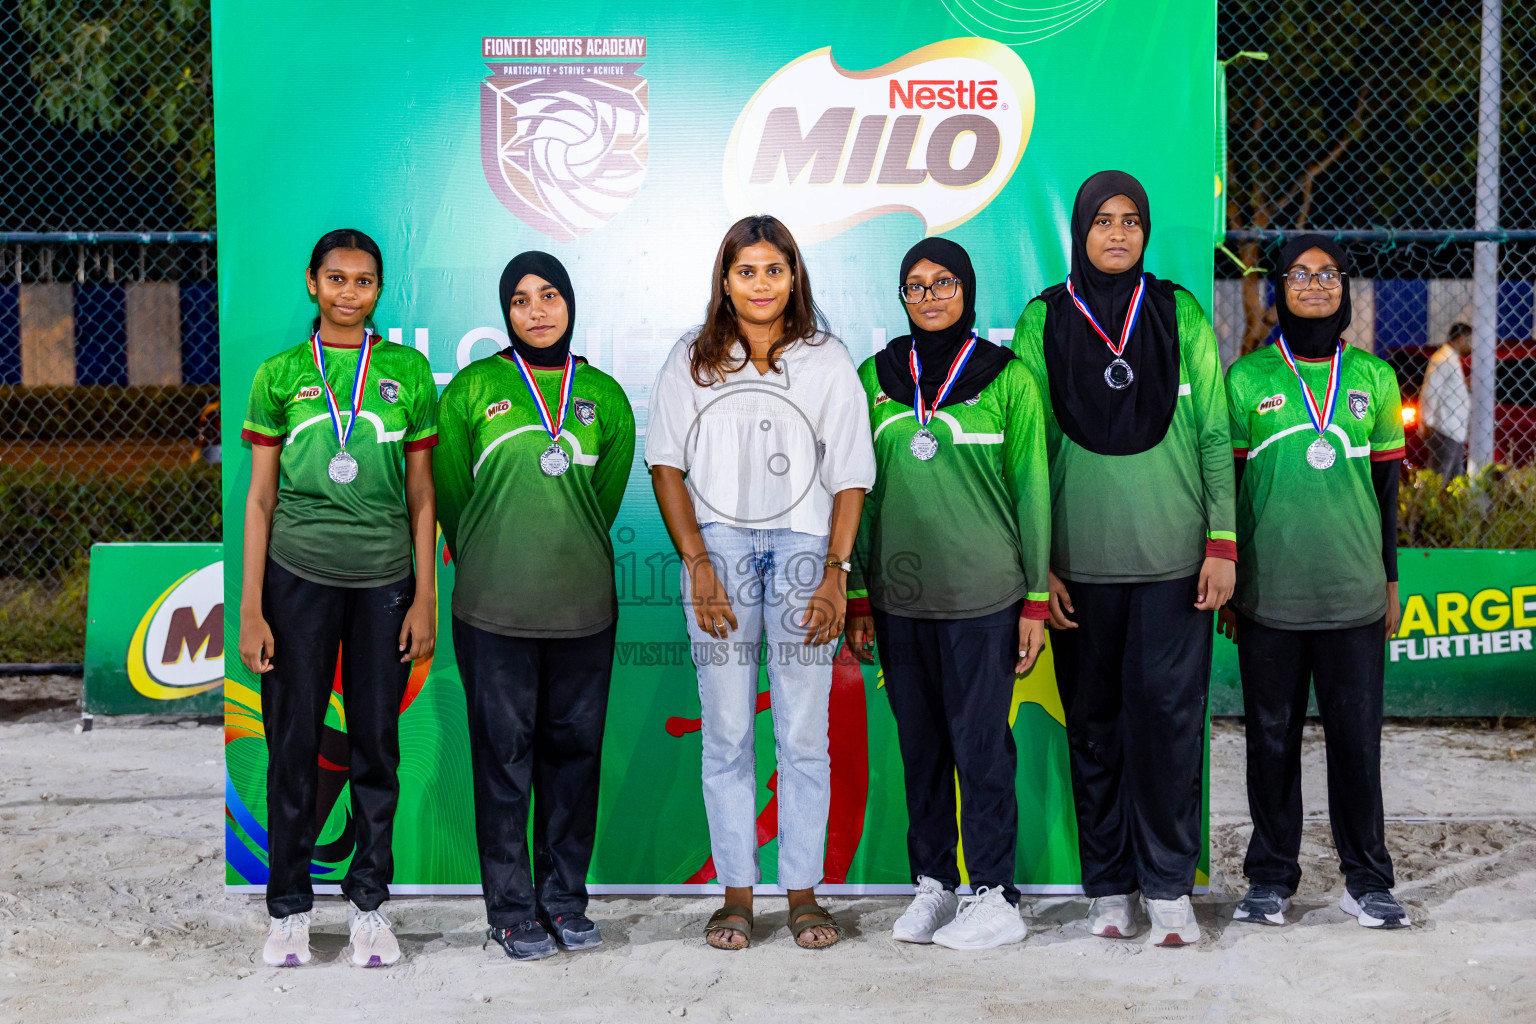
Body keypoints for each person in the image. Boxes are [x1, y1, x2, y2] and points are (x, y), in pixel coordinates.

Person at [1013, 171, 1236, 947]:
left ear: (1146, 231)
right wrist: (1038, 565)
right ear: (1080, 230)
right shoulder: (1043, 320)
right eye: (1102, 221)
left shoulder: (1180, 312)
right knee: (1095, 730)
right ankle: (1109, 887)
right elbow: (1028, 452)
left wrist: (1221, 543)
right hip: (1079, 570)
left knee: (1171, 727)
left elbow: (1213, 432)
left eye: (1131, 220)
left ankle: (1170, 888)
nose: (1116, 233)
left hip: (1176, 565)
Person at [647, 215, 874, 951]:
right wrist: (699, 566)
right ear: (724, 279)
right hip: (720, 549)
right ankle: (737, 894)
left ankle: (803, 893)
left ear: (794, 277)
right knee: (729, 731)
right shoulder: (692, 357)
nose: (761, 283)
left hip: (809, 548)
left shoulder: (827, 359)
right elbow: (666, 466)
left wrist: (836, 573)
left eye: (774, 269)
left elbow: (850, 476)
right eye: (746, 270)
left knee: (806, 733)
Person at [238, 228, 439, 968]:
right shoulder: (281, 375)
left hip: (384, 582)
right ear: (311, 283)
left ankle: (369, 906)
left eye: (363, 281)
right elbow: (260, 500)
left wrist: (425, 597)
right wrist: (252, 607)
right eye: (336, 278)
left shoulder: (407, 373)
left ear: (379, 291)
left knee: (376, 748)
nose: (349, 292)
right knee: (291, 746)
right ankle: (289, 909)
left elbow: (423, 496)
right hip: (296, 580)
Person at [842, 237, 1050, 951]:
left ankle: (995, 893)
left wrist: (1033, 600)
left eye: (944, 283)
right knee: (922, 748)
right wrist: (861, 592)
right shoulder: (874, 378)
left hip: (985, 598)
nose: (930, 296)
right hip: (901, 603)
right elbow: (859, 496)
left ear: (967, 289)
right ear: (902, 297)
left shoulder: (1008, 379)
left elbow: (1033, 493)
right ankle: (935, 884)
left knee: (982, 749)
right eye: (916, 286)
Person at [434, 252, 636, 961]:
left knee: (573, 759)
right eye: (521, 300)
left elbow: (600, 502)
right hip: (494, 613)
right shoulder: (471, 389)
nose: (538, 310)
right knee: (503, 761)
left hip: (584, 610)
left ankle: (564, 900)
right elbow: (454, 501)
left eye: (550, 295)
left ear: (570, 304)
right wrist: (494, 554)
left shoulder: (604, 396)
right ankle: (512, 909)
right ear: (505, 312)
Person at [1221, 234, 1409, 930]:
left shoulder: (1375, 379)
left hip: (1353, 596)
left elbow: (1387, 491)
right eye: (1299, 274)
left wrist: (1389, 580)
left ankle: (1369, 880)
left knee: (1357, 742)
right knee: (1270, 741)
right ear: (1278, 289)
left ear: (1345, 289)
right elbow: (1230, 490)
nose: (1315, 285)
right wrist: (1234, 580)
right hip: (1270, 596)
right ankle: (1270, 879)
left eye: (1328, 274)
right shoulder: (1248, 380)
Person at [1419, 321, 1471, 480]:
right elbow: (1430, 391)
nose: (1471, 346)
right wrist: (1426, 422)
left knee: (1453, 478)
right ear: (1461, 339)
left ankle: (1446, 505)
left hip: (1453, 429)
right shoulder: (1443, 359)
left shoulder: (1450, 359)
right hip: (1444, 428)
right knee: (1440, 477)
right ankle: (1427, 504)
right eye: (1470, 341)